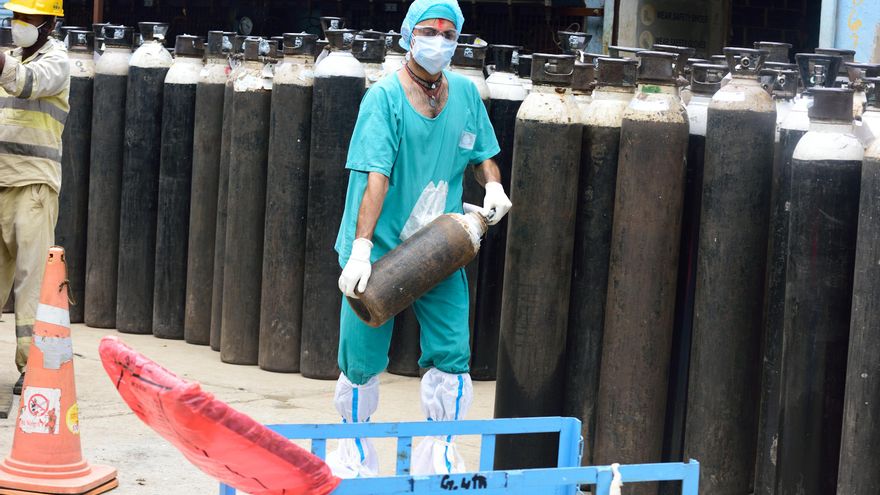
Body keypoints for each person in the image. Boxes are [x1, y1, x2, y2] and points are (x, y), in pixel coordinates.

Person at [328, 0, 512, 478]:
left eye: (449, 34)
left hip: (438, 245)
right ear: (409, 35)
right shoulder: (384, 99)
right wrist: (362, 249)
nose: (439, 41)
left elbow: (483, 154)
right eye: (429, 31)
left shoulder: (465, 94)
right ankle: (353, 458)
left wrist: (493, 185)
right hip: (378, 249)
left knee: (453, 351)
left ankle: (439, 459)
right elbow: (375, 176)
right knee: (362, 358)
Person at [0, 0, 70, 395]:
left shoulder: (56, 62)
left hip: (33, 186)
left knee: (33, 284)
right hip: (1, 179)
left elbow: (27, 84)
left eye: (28, 17)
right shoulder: (10, 58)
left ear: (50, 23)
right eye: (16, 16)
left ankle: (35, 368)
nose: (19, 24)